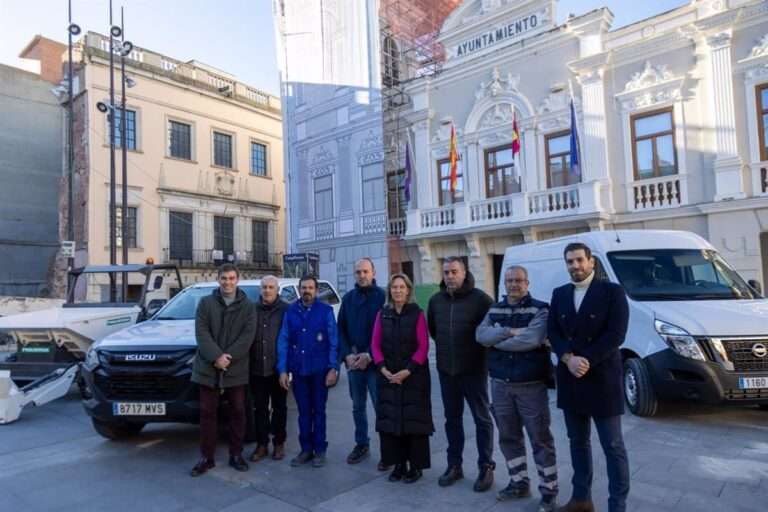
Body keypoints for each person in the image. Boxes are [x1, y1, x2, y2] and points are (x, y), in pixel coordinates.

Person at [548, 243, 630, 512]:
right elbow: (554, 334)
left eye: (580, 260)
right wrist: (568, 359)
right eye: (570, 262)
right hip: (570, 379)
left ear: (591, 261)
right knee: (577, 442)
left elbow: (616, 335)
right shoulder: (559, 294)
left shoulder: (612, 292)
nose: (575, 266)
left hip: (603, 379)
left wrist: (586, 361)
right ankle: (581, 500)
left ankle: (617, 506)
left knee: (613, 445)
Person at [477, 266, 558, 512]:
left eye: (519, 280)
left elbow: (531, 340)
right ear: (504, 283)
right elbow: (481, 336)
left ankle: (549, 490)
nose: (514, 284)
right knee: (509, 437)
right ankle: (518, 482)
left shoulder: (541, 309)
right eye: (510, 280)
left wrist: (497, 340)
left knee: (540, 439)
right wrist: (509, 331)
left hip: (531, 385)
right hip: (500, 385)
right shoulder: (495, 308)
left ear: (527, 283)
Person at [427, 256, 496, 491]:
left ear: (464, 273)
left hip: (474, 371)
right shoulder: (436, 301)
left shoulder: (481, 300)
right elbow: (434, 331)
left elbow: (492, 331)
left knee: (482, 419)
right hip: (447, 372)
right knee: (452, 420)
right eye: (446, 272)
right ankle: (454, 465)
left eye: (454, 272)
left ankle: (486, 467)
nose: (450, 276)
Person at [190, 264, 257, 477]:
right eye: (223, 278)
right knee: (207, 414)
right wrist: (216, 357)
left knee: (238, 412)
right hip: (208, 368)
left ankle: (236, 454)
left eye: (231, 278)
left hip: (236, 369)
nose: (227, 282)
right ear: (218, 279)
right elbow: (201, 332)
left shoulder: (248, 306)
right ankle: (206, 458)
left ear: (238, 279)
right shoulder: (205, 303)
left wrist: (228, 358)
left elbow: (247, 337)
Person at [371, 273, 433, 483]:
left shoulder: (417, 314)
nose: (397, 290)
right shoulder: (383, 314)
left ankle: (415, 466)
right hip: (388, 377)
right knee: (391, 423)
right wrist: (383, 369)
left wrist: (407, 371)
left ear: (408, 290)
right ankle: (398, 464)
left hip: (413, 377)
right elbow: (375, 345)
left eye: (401, 287)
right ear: (390, 291)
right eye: (394, 287)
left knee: (412, 423)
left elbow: (423, 347)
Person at [277, 275, 339, 468]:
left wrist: (333, 368)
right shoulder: (290, 311)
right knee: (304, 412)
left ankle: (319, 450)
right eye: (304, 288)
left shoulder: (326, 311)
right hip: (299, 370)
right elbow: (284, 341)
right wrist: (283, 370)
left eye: (311, 288)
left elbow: (334, 342)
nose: (307, 291)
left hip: (320, 370)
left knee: (319, 411)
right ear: (299, 289)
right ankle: (306, 450)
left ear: (316, 290)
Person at [337, 258, 387, 467]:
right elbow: (340, 330)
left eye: (365, 271)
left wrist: (371, 356)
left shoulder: (383, 297)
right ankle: (362, 444)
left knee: (380, 407)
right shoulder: (348, 299)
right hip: (354, 364)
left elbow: (388, 330)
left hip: (375, 364)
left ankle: (388, 449)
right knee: (358, 407)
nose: (362, 275)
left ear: (373, 273)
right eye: (358, 272)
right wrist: (347, 355)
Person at [249, 275, 290, 462]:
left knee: (280, 407)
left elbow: (291, 340)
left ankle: (279, 443)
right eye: (264, 287)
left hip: (278, 369)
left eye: (271, 287)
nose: (267, 290)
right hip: (257, 368)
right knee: (260, 409)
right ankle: (262, 444)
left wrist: (287, 368)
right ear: (260, 289)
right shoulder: (251, 309)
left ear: (277, 290)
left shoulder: (286, 310)